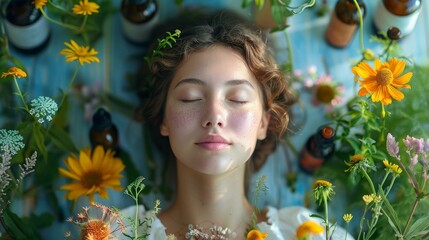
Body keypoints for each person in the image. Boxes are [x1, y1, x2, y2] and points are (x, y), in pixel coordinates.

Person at [121, 10, 353, 240]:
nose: (214, 116)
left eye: (238, 98)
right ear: (164, 119)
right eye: (190, 97)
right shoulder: (117, 234)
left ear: (264, 122)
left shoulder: (307, 233)